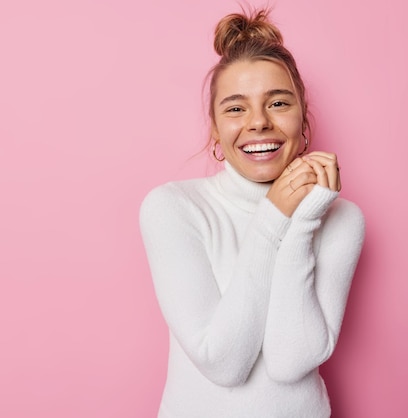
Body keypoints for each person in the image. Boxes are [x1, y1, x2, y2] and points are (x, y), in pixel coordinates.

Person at [139, 8, 365, 418]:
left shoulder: (341, 218)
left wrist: (302, 222)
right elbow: (223, 362)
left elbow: (290, 360)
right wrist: (274, 213)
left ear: (303, 118)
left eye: (278, 102)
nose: (259, 122)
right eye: (236, 108)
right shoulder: (173, 208)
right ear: (215, 131)